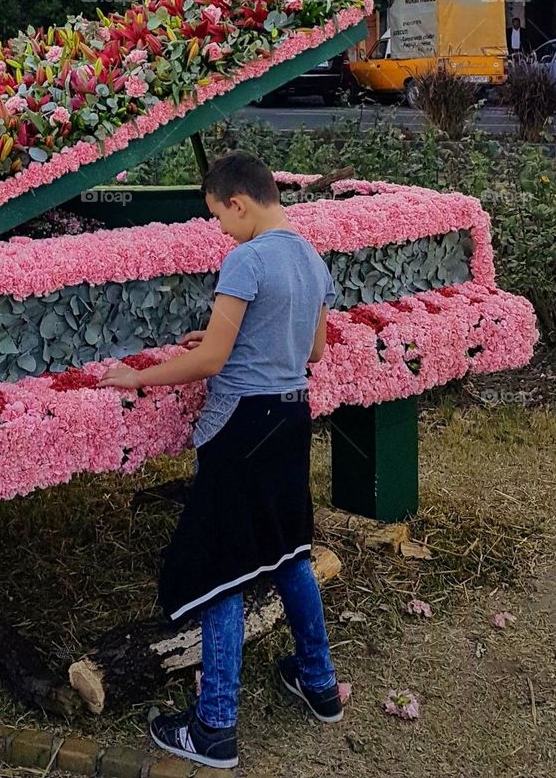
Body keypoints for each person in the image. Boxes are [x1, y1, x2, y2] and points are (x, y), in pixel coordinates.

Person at [99, 153, 342, 769]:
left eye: (218, 216)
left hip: (241, 427)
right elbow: (311, 350)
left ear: (237, 201)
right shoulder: (311, 258)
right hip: (291, 418)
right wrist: (220, 342)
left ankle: (215, 725)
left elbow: (212, 364)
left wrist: (136, 376)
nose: (220, 230)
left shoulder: (247, 259)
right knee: (289, 550)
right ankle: (318, 682)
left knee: (222, 566)